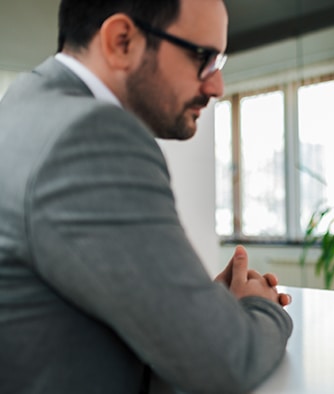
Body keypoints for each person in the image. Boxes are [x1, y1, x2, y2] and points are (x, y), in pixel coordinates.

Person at [0, 1, 293, 393]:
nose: (216, 86)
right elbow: (222, 361)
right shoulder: (93, 135)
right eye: (203, 57)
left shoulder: (25, 101)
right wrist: (260, 308)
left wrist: (193, 305)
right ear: (122, 41)